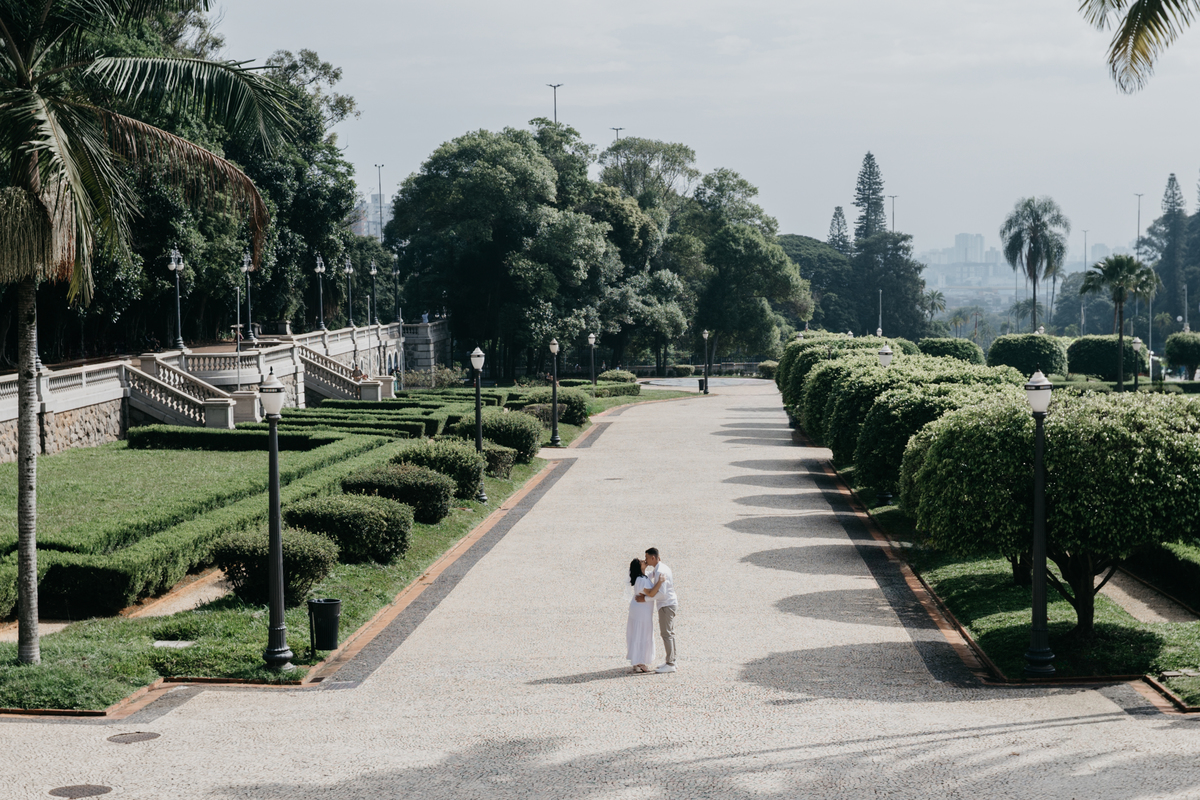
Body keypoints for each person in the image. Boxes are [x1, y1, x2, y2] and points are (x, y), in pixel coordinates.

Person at [641, 547, 678, 673]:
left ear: (652, 558)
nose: (645, 560)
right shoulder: (659, 568)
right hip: (669, 604)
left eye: (646, 558)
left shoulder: (660, 571)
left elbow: (661, 594)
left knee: (666, 634)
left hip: (666, 605)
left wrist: (645, 599)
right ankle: (672, 660)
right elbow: (647, 575)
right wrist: (642, 568)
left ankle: (671, 664)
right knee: (669, 633)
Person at [626, 558, 664, 674]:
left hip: (640, 609)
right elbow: (651, 593)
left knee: (639, 633)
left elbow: (653, 573)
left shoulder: (643, 576)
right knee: (642, 633)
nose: (644, 560)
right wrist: (660, 582)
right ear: (639, 566)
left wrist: (658, 562)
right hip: (641, 611)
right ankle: (640, 662)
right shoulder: (641, 579)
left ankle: (637, 661)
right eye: (642, 561)